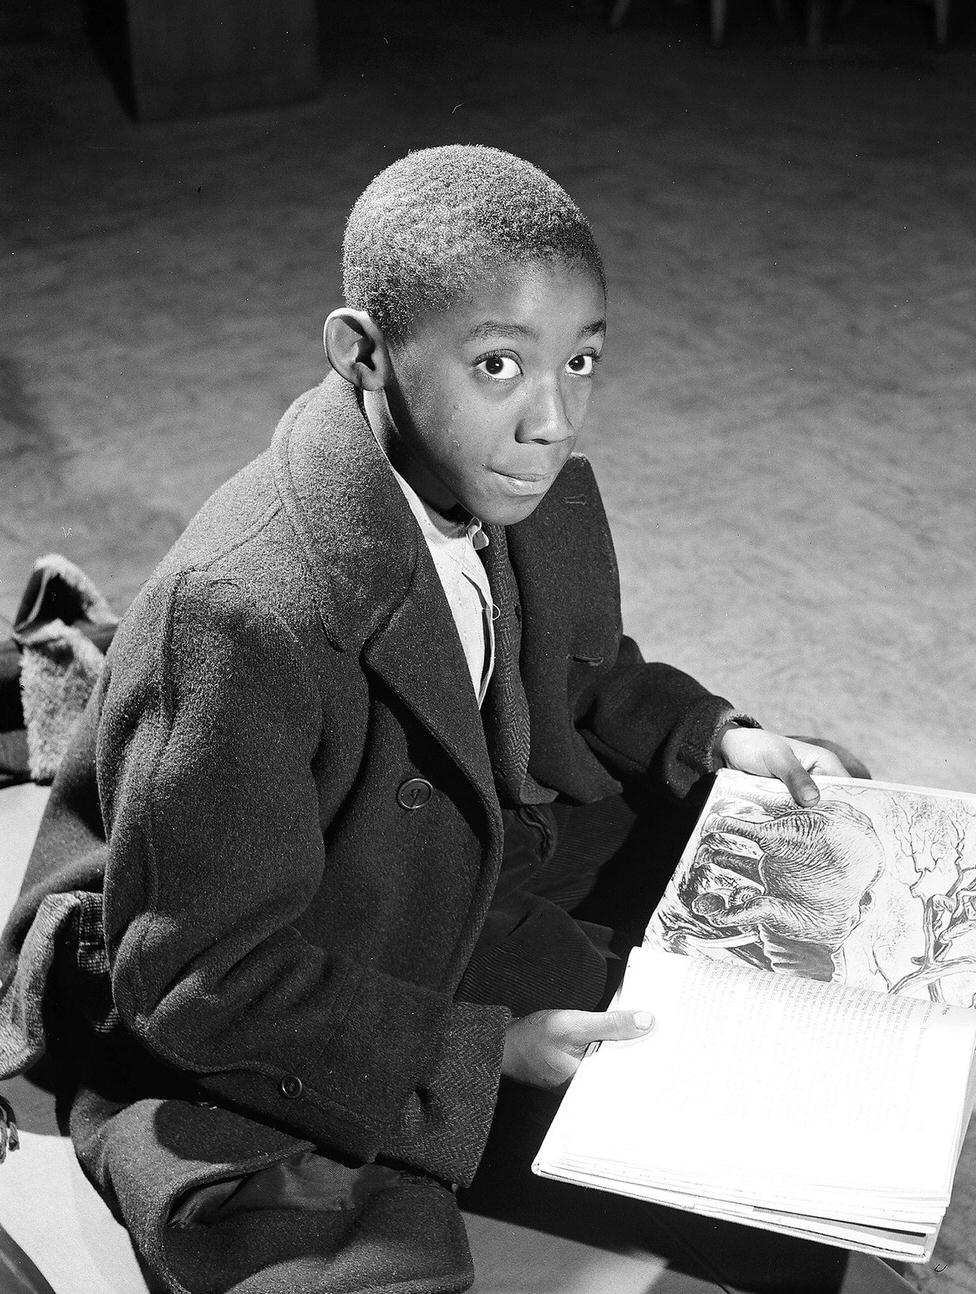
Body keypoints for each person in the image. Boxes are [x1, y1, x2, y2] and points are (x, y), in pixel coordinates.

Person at [0, 145, 858, 1293]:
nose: (551, 418)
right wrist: (485, 1053)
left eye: (583, 360)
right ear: (362, 352)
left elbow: (585, 675)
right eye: (498, 363)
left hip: (463, 861)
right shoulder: (240, 612)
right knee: (380, 1249)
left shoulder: (522, 485)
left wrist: (712, 738)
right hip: (280, 953)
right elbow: (192, 974)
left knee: (822, 837)